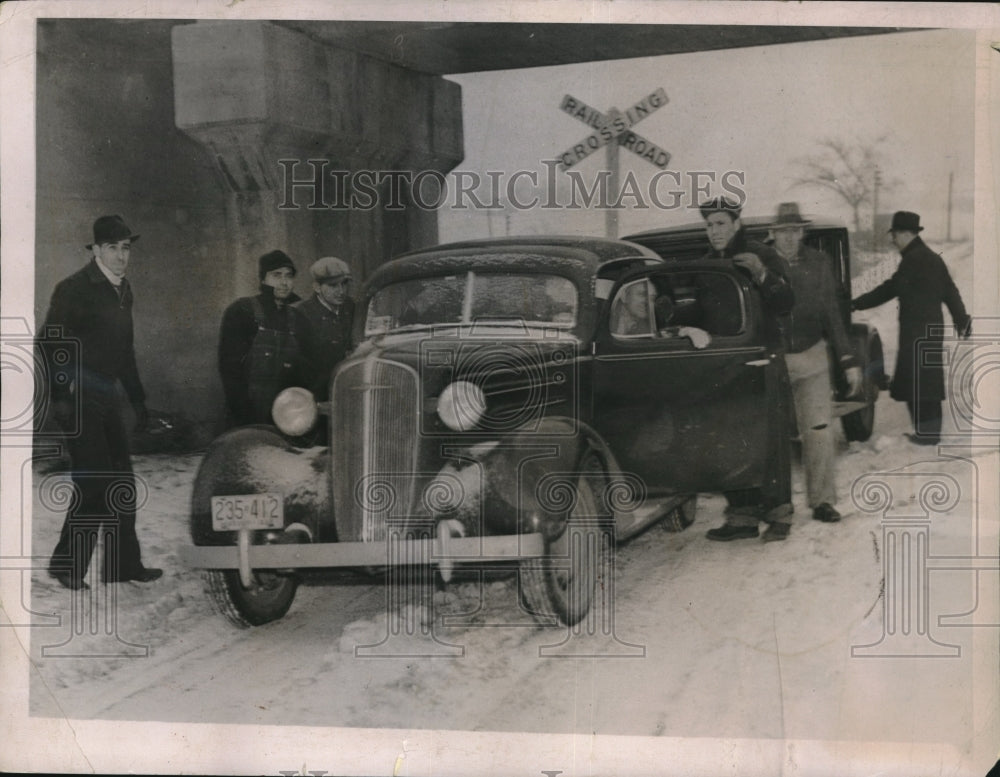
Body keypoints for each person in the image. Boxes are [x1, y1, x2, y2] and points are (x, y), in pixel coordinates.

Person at [42, 215, 162, 589]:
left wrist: (138, 402)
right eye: (112, 247)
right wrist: (62, 396)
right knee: (94, 482)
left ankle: (123, 566)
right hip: (80, 394)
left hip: (107, 394)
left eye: (126, 248)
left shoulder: (123, 290)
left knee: (121, 482)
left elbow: (124, 351)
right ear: (95, 250)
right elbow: (51, 343)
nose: (121, 256)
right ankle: (66, 566)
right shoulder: (75, 288)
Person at [698, 196, 796, 542]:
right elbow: (699, 312)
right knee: (731, 441)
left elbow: (787, 302)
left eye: (721, 223)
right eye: (709, 225)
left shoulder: (762, 255)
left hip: (762, 360)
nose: (714, 231)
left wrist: (762, 273)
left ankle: (779, 515)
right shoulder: (707, 264)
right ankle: (742, 517)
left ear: (737, 224)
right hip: (725, 366)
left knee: (771, 440)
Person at [770, 202, 863, 534]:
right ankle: (775, 509)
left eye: (795, 231)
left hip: (812, 356)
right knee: (771, 437)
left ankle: (822, 501)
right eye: (783, 231)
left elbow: (832, 315)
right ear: (773, 234)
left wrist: (848, 360)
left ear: (802, 232)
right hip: (774, 362)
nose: (790, 237)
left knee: (819, 432)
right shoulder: (763, 263)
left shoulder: (819, 263)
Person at [852, 211, 971, 445]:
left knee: (917, 383)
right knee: (925, 381)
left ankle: (927, 436)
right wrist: (961, 319)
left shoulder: (914, 259)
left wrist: (857, 302)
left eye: (895, 235)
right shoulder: (931, 258)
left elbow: (890, 288)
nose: (892, 240)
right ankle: (928, 433)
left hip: (917, 331)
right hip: (930, 329)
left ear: (906, 234)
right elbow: (950, 291)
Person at [218, 250, 312, 427]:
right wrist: (245, 416)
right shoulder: (241, 311)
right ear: (263, 279)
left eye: (289, 276)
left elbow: (307, 373)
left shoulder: (298, 319)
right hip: (247, 415)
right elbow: (229, 370)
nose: (284, 282)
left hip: (287, 417)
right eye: (276, 275)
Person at [293, 256, 355, 401]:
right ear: (317, 287)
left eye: (344, 284)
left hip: (351, 386)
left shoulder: (351, 307)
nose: (341, 291)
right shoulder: (302, 315)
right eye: (333, 285)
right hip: (319, 394)